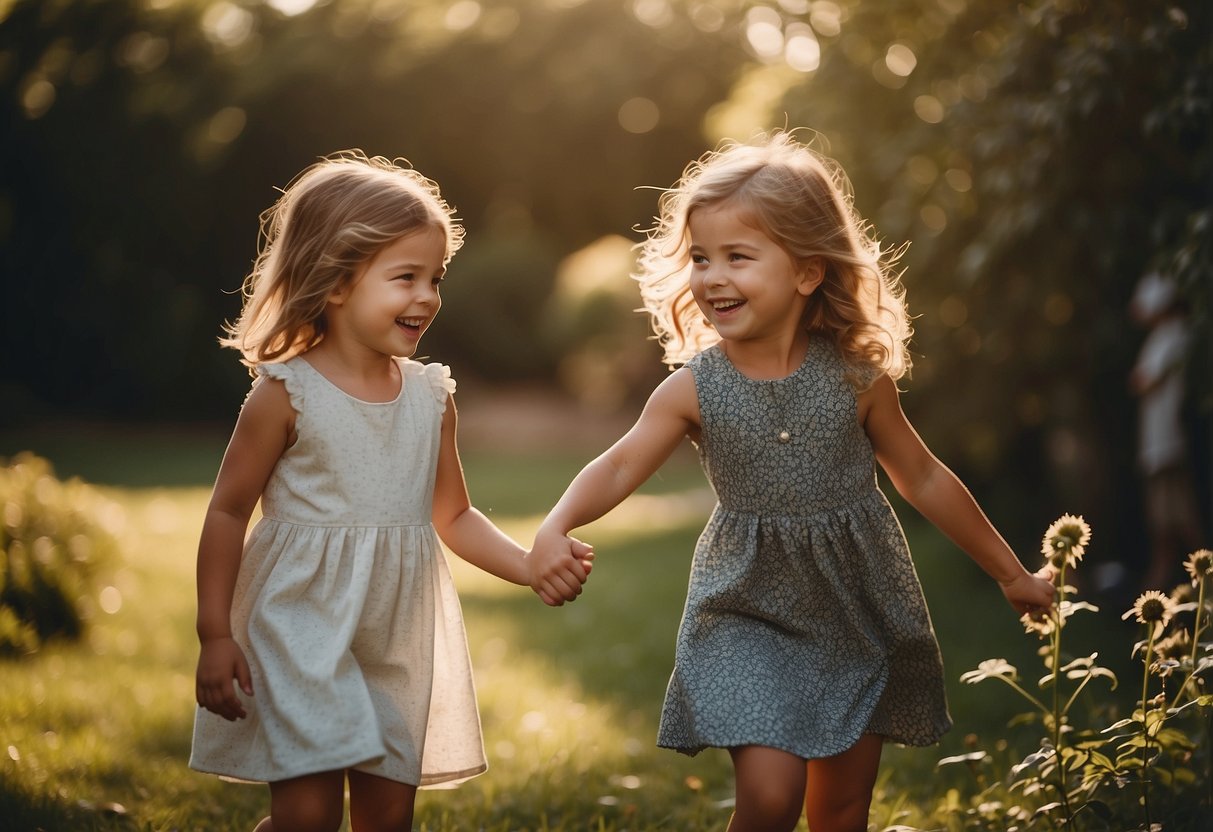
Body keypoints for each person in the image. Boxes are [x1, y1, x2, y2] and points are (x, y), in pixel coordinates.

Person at [529, 131, 1055, 832]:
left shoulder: (856, 380)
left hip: (856, 607)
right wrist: (554, 523)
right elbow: (621, 462)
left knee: (839, 809)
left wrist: (1012, 575)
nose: (712, 277)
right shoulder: (693, 388)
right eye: (699, 258)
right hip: (746, 608)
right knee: (770, 798)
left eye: (737, 257)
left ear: (807, 273)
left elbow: (922, 478)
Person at [189, 150, 592, 832]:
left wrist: (525, 565)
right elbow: (228, 510)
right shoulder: (286, 394)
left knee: (387, 817)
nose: (426, 297)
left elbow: (454, 513)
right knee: (308, 815)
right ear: (337, 281)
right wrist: (213, 633)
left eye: (435, 278)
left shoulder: (431, 397)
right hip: (300, 630)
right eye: (405, 277)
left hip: (396, 636)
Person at [1129, 271, 1203, 592]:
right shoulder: (1163, 336)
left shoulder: (1174, 334)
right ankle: (1167, 597)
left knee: (1179, 524)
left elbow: (1144, 380)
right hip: (1159, 445)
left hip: (1167, 444)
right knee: (1167, 528)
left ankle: (1196, 591)